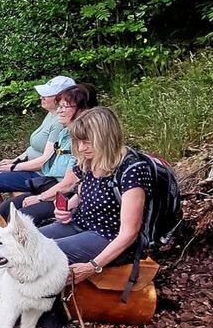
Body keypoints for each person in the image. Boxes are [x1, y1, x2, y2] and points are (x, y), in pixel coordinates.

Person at [40, 106, 150, 284]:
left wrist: (93, 265)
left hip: (108, 235)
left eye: (87, 142)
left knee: (41, 254)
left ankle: (46, 301)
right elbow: (84, 191)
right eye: (78, 142)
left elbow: (129, 232)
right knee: (27, 243)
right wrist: (67, 208)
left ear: (105, 138)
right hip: (80, 223)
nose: (81, 148)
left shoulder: (131, 170)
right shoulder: (89, 160)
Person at [0, 77, 86, 221]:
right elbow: (33, 149)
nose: (41, 97)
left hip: (41, 176)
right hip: (43, 176)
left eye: (63, 106)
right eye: (59, 105)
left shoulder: (68, 131)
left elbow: (50, 165)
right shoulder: (61, 127)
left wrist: (14, 169)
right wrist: (15, 161)